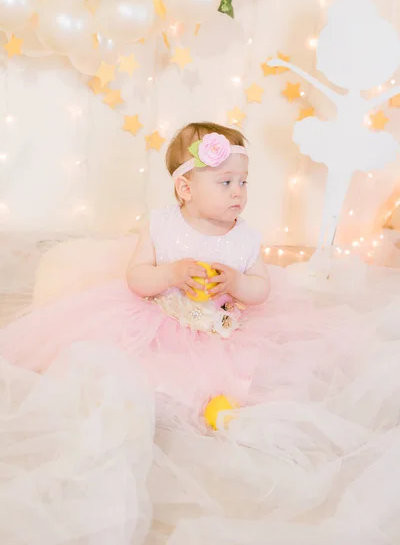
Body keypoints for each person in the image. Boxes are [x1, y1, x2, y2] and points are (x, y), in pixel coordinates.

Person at [1, 122, 400, 545]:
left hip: (223, 328)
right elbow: (137, 278)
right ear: (186, 189)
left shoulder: (245, 238)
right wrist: (170, 272)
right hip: (165, 320)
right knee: (143, 370)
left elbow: (261, 289)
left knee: (259, 371)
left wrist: (235, 284)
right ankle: (173, 404)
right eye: (226, 181)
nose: (238, 193)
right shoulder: (161, 225)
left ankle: (223, 407)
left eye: (244, 182)